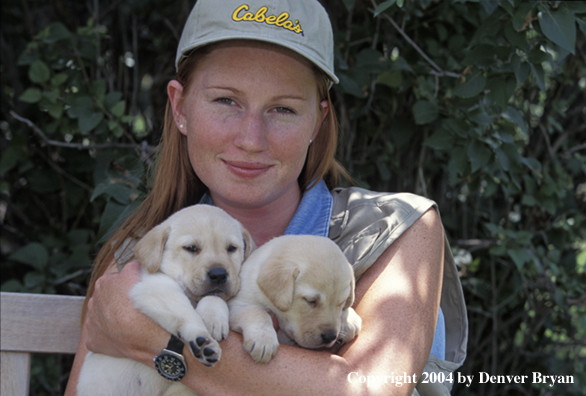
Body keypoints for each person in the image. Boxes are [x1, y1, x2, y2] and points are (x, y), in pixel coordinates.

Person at [65, 0, 467, 395]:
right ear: (179, 106)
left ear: (317, 120)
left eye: (283, 109)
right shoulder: (144, 253)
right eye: (226, 101)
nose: (252, 139)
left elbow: (376, 390)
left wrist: (156, 338)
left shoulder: (392, 230)